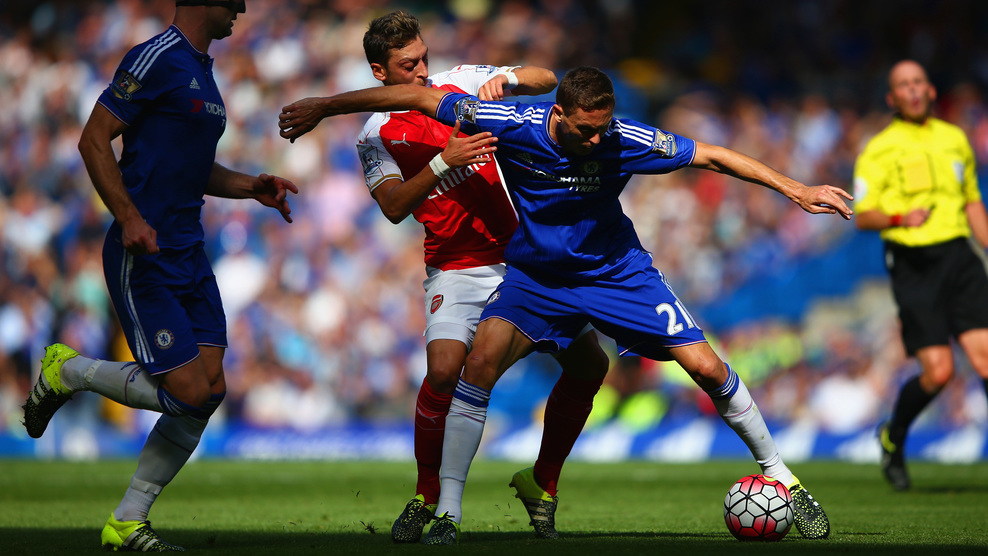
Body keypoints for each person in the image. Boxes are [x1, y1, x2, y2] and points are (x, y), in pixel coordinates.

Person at [280, 67, 852, 543]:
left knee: (706, 367)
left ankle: (785, 481)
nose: (600, 140)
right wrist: (327, 105)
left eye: (604, 128)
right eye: (587, 130)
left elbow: (713, 156)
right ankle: (449, 513)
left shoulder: (625, 138)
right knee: (478, 366)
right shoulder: (513, 123)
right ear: (559, 116)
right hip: (538, 277)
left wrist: (796, 189)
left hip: (615, 272)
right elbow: (420, 96)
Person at [281, 11, 609, 543]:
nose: (422, 71)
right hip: (455, 265)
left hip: (522, 256)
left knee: (591, 365)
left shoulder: (459, 85)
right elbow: (391, 206)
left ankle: (542, 480)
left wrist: (514, 78)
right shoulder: (375, 135)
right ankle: (427, 494)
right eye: (408, 65)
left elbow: (548, 77)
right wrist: (441, 164)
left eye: (424, 58)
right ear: (379, 71)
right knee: (442, 372)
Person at [22, 1, 297, 551]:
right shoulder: (155, 57)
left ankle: (127, 521)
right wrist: (128, 218)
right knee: (189, 389)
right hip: (143, 250)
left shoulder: (203, 70)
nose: (242, 7)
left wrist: (251, 187)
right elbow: (93, 139)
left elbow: (191, 166)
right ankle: (68, 372)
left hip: (189, 252)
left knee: (211, 388)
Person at [853, 59, 988, 491]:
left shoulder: (955, 139)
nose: (912, 90)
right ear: (892, 98)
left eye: (918, 82)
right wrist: (898, 216)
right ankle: (894, 435)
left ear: (930, 90)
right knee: (939, 373)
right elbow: (863, 215)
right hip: (913, 264)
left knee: (985, 356)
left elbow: (971, 202)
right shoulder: (878, 149)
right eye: (902, 86)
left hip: (959, 256)